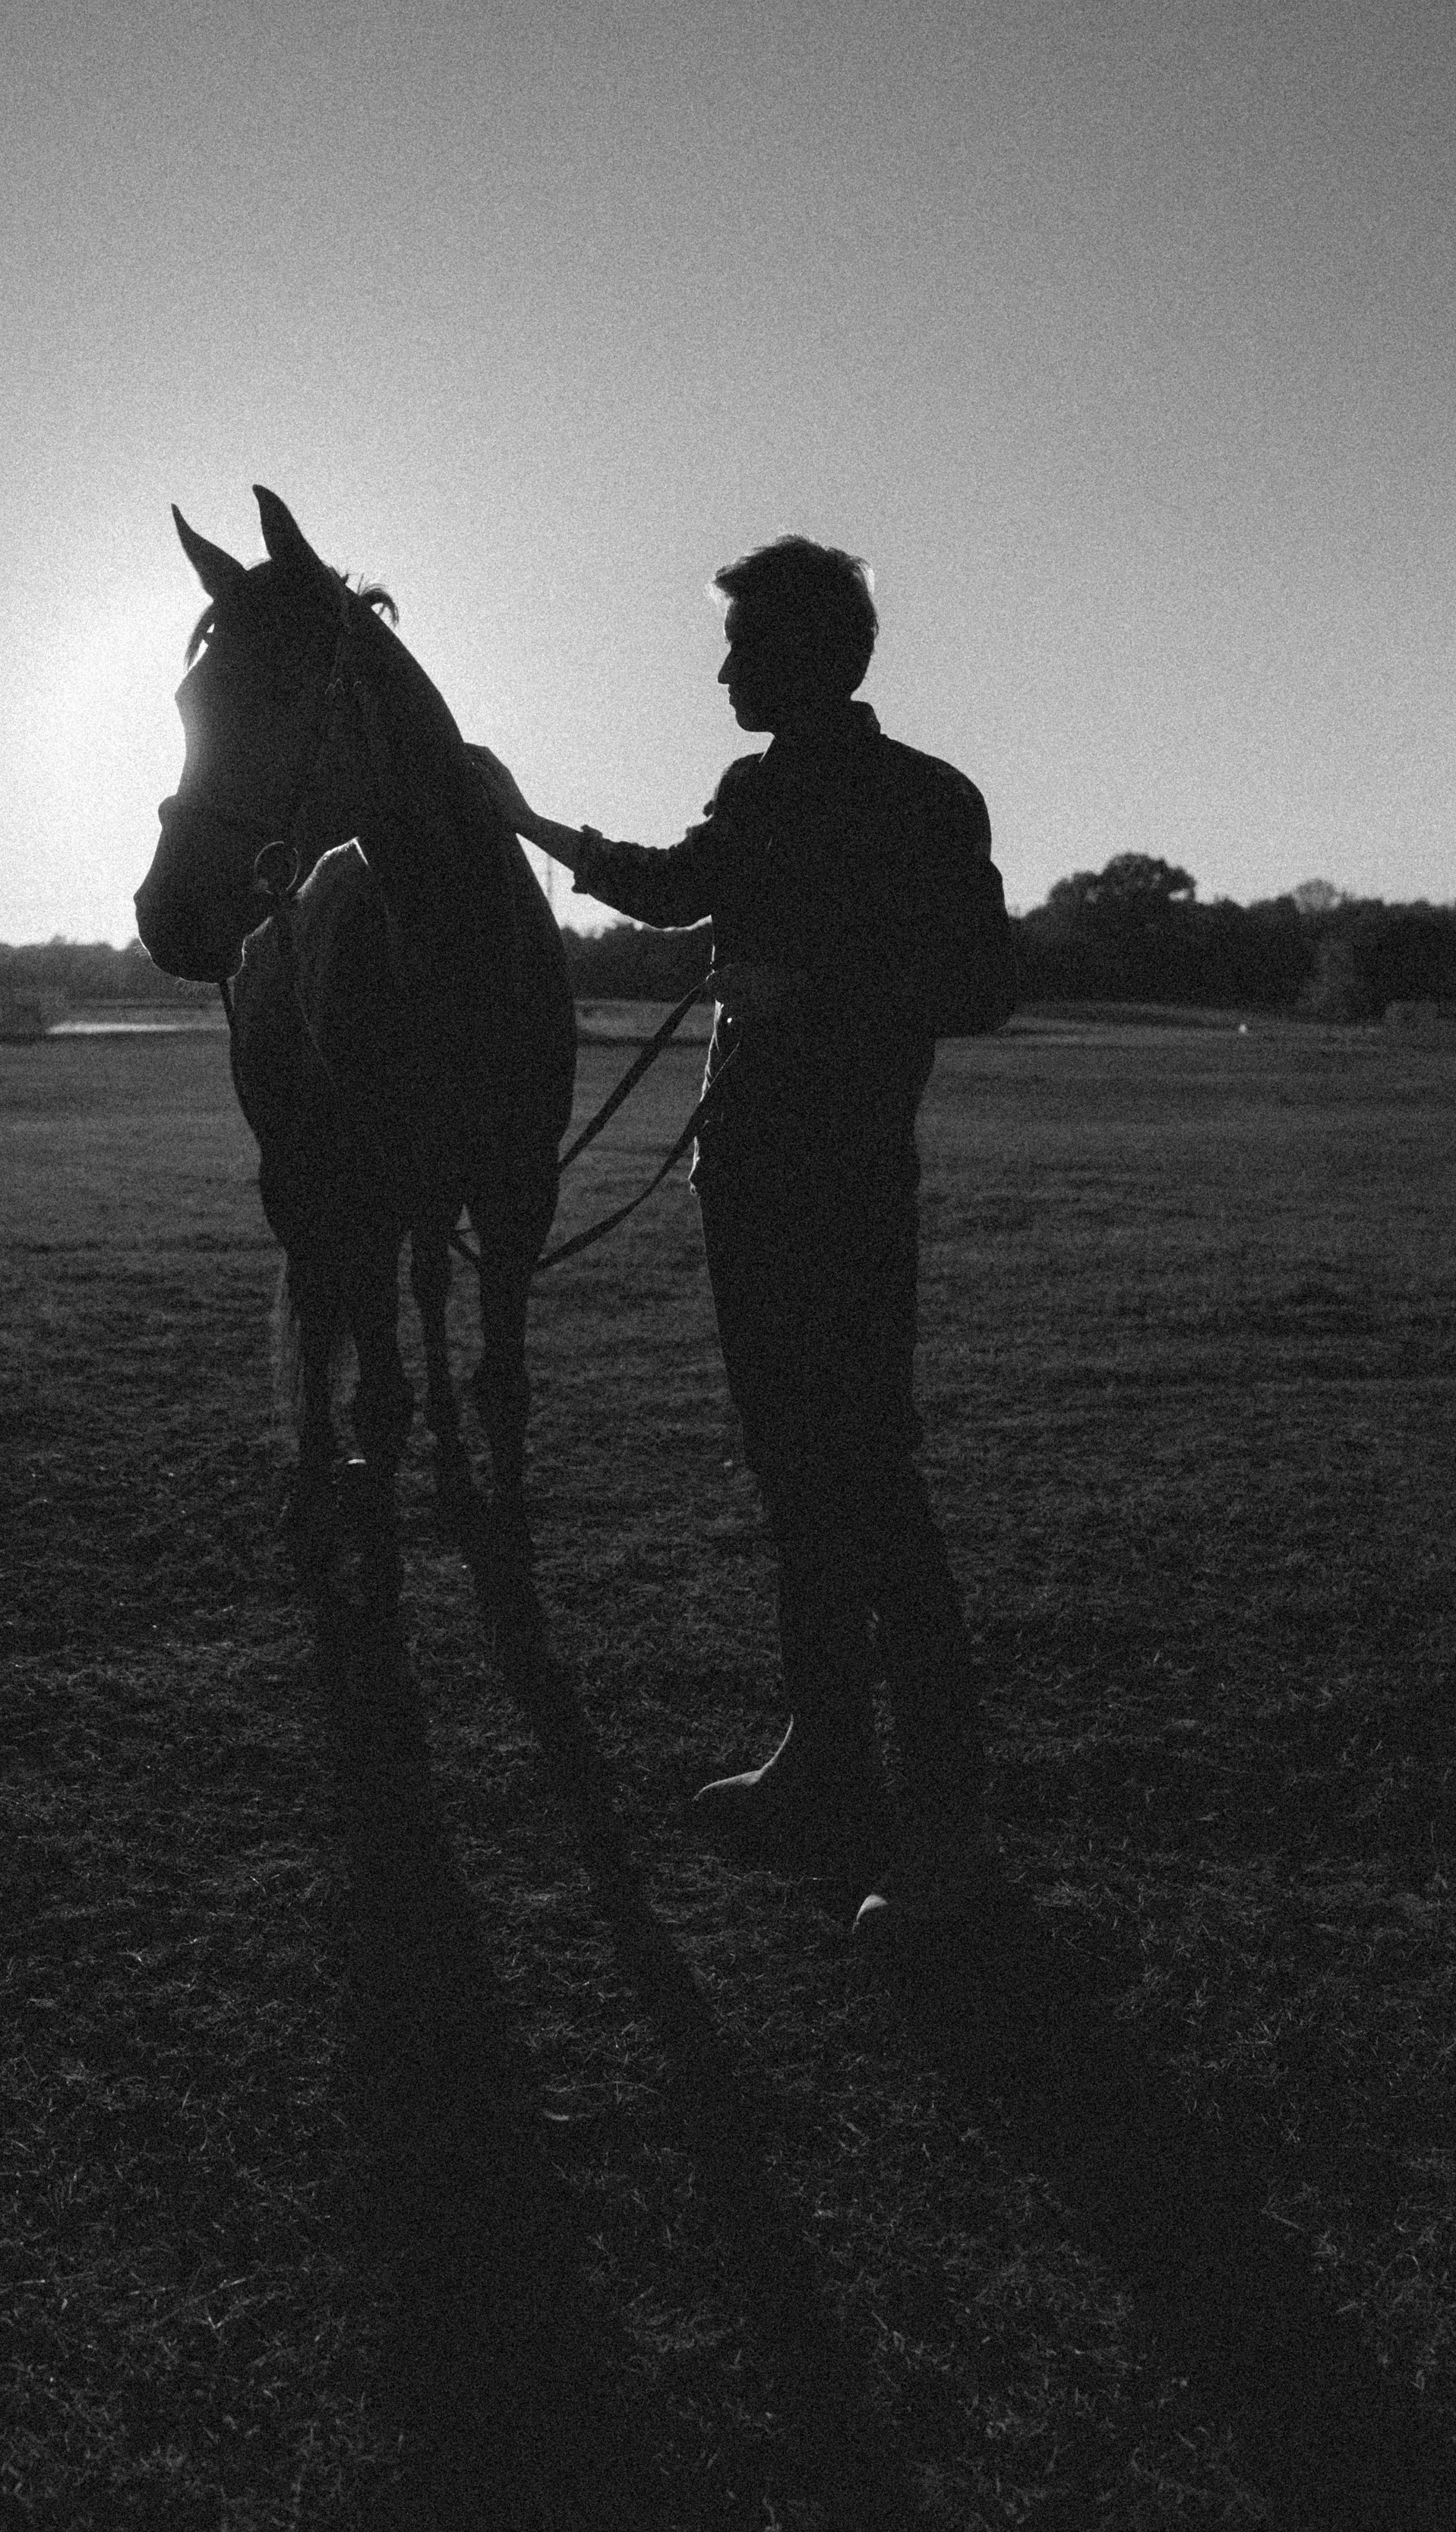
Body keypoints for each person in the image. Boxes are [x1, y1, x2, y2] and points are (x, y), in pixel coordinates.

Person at [466, 535, 1019, 1928]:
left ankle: (947, 1835)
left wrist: (810, 993)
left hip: (846, 1187)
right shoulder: (754, 790)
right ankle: (825, 1762)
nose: (721, 673)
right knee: (790, 1479)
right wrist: (528, 823)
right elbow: (671, 885)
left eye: (741, 647)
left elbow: (980, 984)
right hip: (748, 1186)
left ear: (807, 653)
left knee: (871, 1487)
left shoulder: (926, 799)